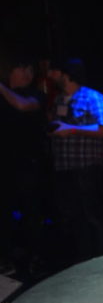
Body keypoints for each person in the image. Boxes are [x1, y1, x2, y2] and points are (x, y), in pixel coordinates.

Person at [47, 57, 103, 264]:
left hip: (86, 167)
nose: (50, 75)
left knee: (92, 216)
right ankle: (84, 263)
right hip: (64, 167)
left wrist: (72, 129)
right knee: (75, 218)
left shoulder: (93, 97)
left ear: (66, 74)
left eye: (54, 72)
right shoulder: (59, 100)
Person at [0, 56, 48, 276]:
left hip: (29, 163)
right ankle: (6, 257)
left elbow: (22, 105)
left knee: (31, 210)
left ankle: (36, 257)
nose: (28, 73)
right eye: (23, 68)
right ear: (11, 71)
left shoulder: (35, 95)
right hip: (5, 163)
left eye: (30, 69)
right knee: (4, 212)